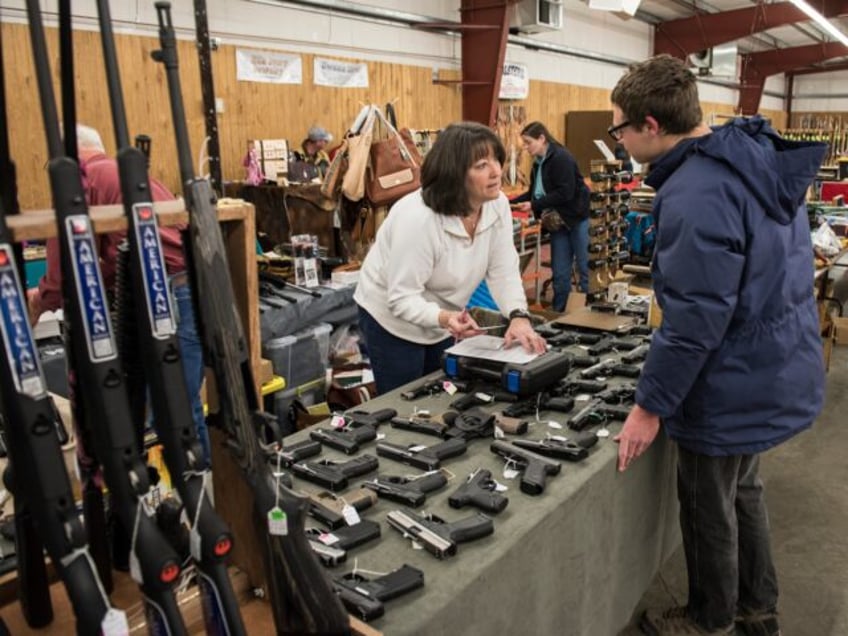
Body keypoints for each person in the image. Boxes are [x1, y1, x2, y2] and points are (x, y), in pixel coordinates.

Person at [610, 55, 825, 636]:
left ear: (651, 125)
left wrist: (648, 407)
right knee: (743, 491)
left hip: (728, 378)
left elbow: (694, 321)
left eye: (620, 128)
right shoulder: (747, 156)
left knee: (708, 507)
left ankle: (711, 622)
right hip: (769, 364)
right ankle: (757, 609)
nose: (619, 139)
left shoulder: (697, 192)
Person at [28, 125, 211, 467]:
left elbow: (64, 271)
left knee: (166, 418)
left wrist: (40, 300)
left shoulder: (78, 182)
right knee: (179, 412)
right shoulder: (130, 177)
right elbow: (121, 253)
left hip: (165, 294)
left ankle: (187, 500)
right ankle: (199, 498)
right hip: (188, 289)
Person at [353, 121, 546, 395]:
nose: (496, 171)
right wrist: (444, 317)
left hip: (442, 317)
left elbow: (503, 269)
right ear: (454, 174)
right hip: (390, 319)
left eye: (496, 160)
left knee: (441, 391)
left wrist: (518, 316)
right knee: (402, 401)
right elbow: (401, 298)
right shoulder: (418, 219)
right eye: (481, 165)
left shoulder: (497, 204)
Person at [512, 121, 590, 312]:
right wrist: (508, 202)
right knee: (560, 271)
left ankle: (593, 310)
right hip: (557, 223)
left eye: (528, 142)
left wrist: (534, 204)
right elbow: (534, 193)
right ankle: (559, 312)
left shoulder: (561, 158)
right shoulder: (537, 164)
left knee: (585, 266)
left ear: (541, 138)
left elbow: (566, 192)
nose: (526, 147)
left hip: (576, 218)